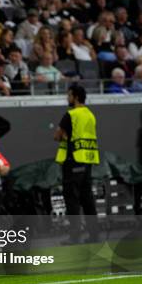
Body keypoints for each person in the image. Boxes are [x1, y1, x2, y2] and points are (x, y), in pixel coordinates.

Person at [54, 84, 100, 244]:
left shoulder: (71, 115)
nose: (68, 98)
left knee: (72, 200)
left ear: (75, 97)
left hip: (73, 161)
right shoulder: (90, 115)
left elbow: (58, 135)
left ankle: (75, 236)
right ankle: (94, 235)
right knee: (87, 199)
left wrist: (63, 135)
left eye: (69, 95)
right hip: (88, 160)